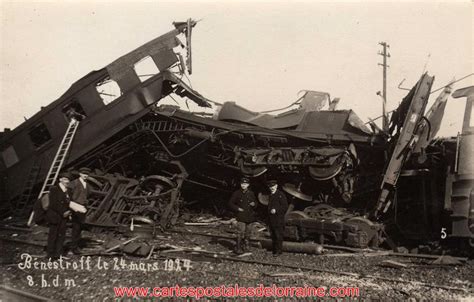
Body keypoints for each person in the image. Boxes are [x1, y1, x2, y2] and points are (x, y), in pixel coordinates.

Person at [46, 172, 73, 260]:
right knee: (53, 235)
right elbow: (53, 204)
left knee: (61, 235)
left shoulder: (68, 190)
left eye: (68, 180)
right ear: (60, 179)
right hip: (55, 216)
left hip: (64, 217)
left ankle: (58, 254)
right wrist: (63, 212)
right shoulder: (54, 189)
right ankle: (50, 255)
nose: (67, 181)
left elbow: (69, 203)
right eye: (65, 179)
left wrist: (70, 211)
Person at [228, 177, 257, 254]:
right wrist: (237, 208)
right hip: (241, 216)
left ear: (248, 185)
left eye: (245, 184)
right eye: (242, 184)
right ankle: (238, 247)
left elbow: (256, 204)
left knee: (248, 233)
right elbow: (230, 203)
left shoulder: (251, 193)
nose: (243, 185)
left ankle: (246, 246)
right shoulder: (237, 193)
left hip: (250, 216)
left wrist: (254, 204)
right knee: (240, 232)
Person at [70, 167, 91, 254]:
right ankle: (74, 247)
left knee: (79, 227)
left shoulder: (87, 185)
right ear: (80, 174)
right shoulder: (74, 183)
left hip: (82, 207)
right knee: (76, 227)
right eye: (83, 174)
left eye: (87, 174)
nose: (85, 175)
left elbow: (88, 194)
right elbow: (69, 194)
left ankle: (76, 245)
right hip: (75, 206)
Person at [266, 179, 288, 256]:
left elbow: (285, 206)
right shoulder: (271, 195)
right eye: (270, 186)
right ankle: (275, 249)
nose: (272, 188)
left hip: (278, 219)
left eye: (273, 186)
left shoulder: (280, 195)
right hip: (272, 219)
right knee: (273, 235)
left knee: (278, 235)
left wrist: (276, 210)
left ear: (276, 186)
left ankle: (278, 251)